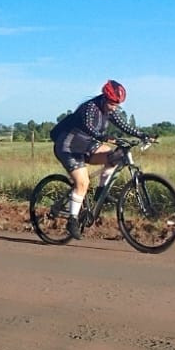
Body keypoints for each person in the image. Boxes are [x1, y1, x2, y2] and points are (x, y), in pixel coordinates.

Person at [51, 80, 132, 239]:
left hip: (86, 146)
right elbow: (90, 128)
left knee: (114, 155)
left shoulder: (109, 110)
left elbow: (125, 126)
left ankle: (101, 191)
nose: (115, 106)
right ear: (104, 97)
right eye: (113, 103)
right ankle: (72, 221)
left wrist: (144, 135)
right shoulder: (89, 108)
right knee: (83, 183)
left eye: (118, 104)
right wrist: (107, 137)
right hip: (68, 147)